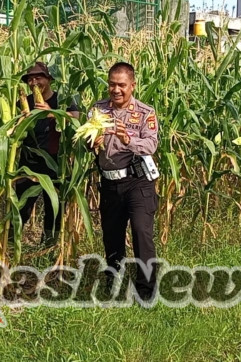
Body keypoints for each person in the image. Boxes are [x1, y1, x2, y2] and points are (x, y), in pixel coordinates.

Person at [89, 62, 159, 301]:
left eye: (121, 85)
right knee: (111, 235)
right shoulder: (98, 110)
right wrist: (92, 143)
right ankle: (114, 282)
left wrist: (127, 138)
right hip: (109, 183)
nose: (116, 89)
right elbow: (87, 140)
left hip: (138, 181)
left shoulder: (144, 112)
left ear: (132, 85)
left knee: (141, 233)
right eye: (111, 84)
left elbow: (150, 145)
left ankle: (146, 291)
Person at [15, 61, 79, 245]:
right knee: (21, 206)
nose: (34, 82)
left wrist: (54, 113)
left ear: (49, 79)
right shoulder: (24, 102)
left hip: (56, 163)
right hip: (28, 163)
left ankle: (49, 248)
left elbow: (77, 121)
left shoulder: (64, 100)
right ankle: (11, 245)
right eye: (30, 79)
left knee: (55, 208)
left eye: (38, 77)